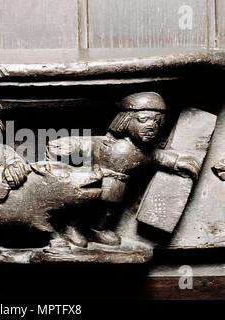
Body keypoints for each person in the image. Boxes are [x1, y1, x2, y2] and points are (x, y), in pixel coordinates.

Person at [46, 92, 200, 247]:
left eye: (157, 121)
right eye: (143, 119)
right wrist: (63, 146)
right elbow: (83, 143)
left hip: (118, 188)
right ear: (125, 120)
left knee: (109, 209)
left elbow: (155, 157)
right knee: (86, 202)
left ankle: (97, 229)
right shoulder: (105, 144)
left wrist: (176, 161)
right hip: (95, 182)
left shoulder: (142, 150)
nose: (151, 126)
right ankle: (70, 227)